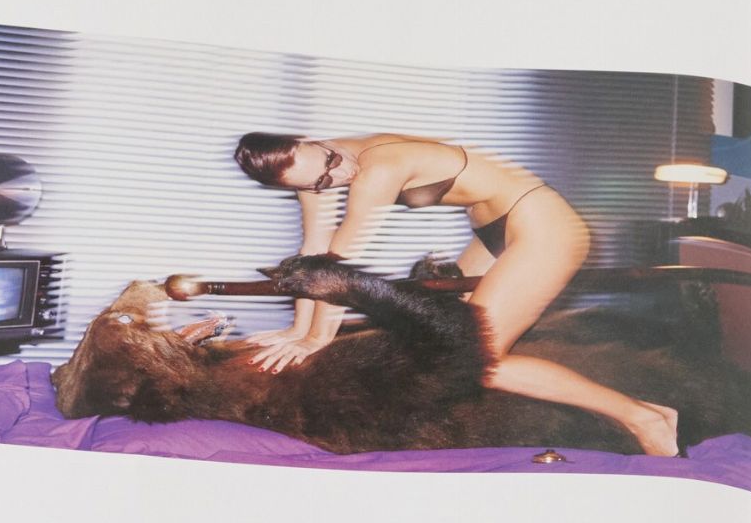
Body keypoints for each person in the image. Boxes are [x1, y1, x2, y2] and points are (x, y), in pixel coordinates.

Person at [232, 131, 679, 456]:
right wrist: (297, 329)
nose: (339, 173)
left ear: (309, 141)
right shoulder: (311, 175)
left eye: (331, 161)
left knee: (478, 360)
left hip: (542, 222)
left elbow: (340, 265)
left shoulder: (379, 166)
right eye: (321, 183)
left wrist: (317, 338)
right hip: (493, 230)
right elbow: (313, 256)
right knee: (440, 348)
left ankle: (644, 418)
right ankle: (646, 412)